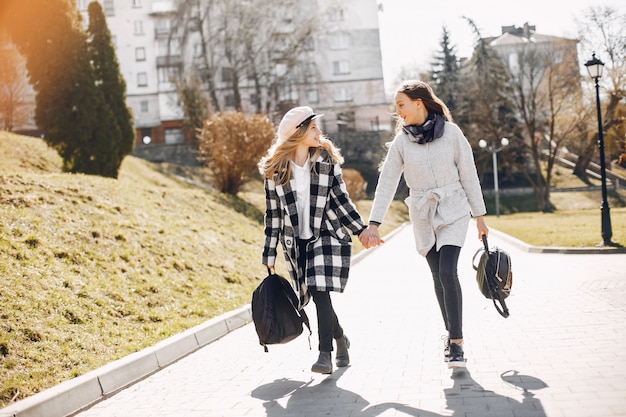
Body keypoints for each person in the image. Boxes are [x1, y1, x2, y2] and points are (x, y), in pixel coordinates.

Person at [359, 80, 489, 369]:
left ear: (419, 102)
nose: (398, 112)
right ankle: (450, 333)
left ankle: (456, 343)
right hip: (423, 214)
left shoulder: (452, 133)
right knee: (437, 277)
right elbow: (387, 182)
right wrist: (374, 222)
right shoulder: (401, 142)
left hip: (454, 209)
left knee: (447, 271)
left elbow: (469, 175)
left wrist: (479, 217)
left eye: (401, 105)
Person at [259, 106, 367, 374]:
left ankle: (324, 355)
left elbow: (342, 200)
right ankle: (340, 337)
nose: (320, 132)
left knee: (321, 291)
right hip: (296, 242)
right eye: (314, 128)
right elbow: (273, 215)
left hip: (327, 234)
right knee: (318, 297)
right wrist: (268, 254)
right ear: (299, 133)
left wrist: (361, 230)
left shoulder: (326, 162)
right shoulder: (276, 171)